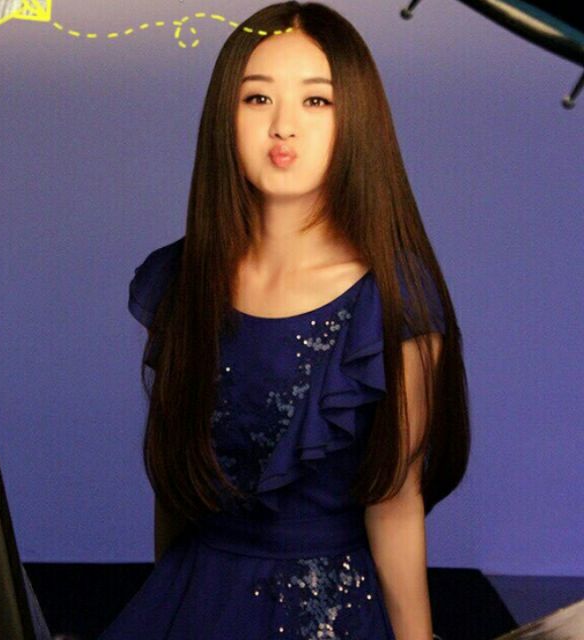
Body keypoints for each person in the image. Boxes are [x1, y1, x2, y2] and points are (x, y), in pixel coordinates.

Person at [99, 2, 470, 639]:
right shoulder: (180, 280)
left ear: (356, 120)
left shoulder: (393, 297)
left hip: (331, 613)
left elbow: (395, 503)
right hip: (191, 596)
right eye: (258, 98)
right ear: (225, 116)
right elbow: (174, 489)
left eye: (316, 101)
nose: (284, 127)